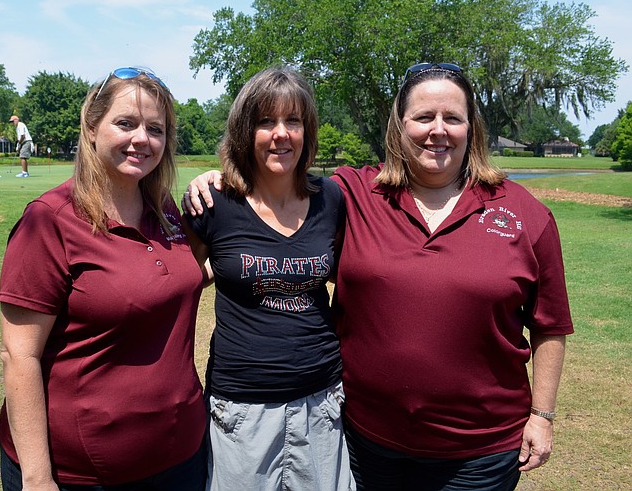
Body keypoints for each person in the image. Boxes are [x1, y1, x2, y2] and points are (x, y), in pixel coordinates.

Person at [185, 62, 573, 490]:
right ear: (400, 126)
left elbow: (550, 323)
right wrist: (219, 178)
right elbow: (261, 213)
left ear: (472, 128)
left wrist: (543, 415)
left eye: (453, 118)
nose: (438, 130)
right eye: (424, 117)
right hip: (369, 439)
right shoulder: (356, 192)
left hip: (479, 448)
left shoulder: (524, 213)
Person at [0, 67, 207, 490]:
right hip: (83, 473)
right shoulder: (50, 221)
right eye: (125, 123)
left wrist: (219, 185)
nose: (142, 139)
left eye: (155, 129)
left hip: (181, 456)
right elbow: (19, 356)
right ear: (92, 128)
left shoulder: (165, 211)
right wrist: (37, 480)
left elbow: (186, 275)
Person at [183, 66, 354, 491]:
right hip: (241, 410)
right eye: (266, 122)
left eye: (292, 121)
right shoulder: (214, 203)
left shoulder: (330, 199)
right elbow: (178, 283)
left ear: (307, 130)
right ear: (245, 132)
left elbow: (352, 274)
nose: (281, 133)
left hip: (322, 403)